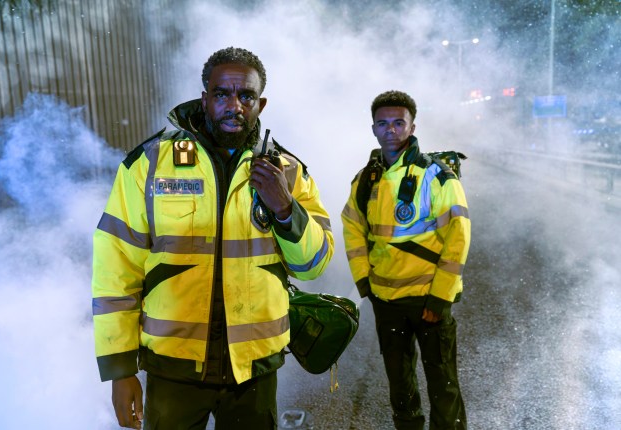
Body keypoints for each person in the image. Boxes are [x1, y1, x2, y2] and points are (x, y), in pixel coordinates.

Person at [92, 47, 334, 430]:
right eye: (222, 94)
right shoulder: (150, 164)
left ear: (261, 103)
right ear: (205, 98)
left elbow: (313, 264)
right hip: (173, 370)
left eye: (246, 96)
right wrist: (120, 369)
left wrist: (286, 209)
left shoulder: (287, 171)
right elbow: (115, 269)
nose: (233, 105)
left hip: (253, 371)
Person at [341, 90, 471, 430]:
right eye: (383, 124)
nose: (391, 130)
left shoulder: (437, 176)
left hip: (429, 300)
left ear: (412, 127)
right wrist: (364, 280)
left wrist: (441, 296)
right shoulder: (365, 179)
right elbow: (352, 226)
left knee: (442, 383)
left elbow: (458, 239)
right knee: (399, 384)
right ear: (373, 129)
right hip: (386, 301)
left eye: (399, 123)